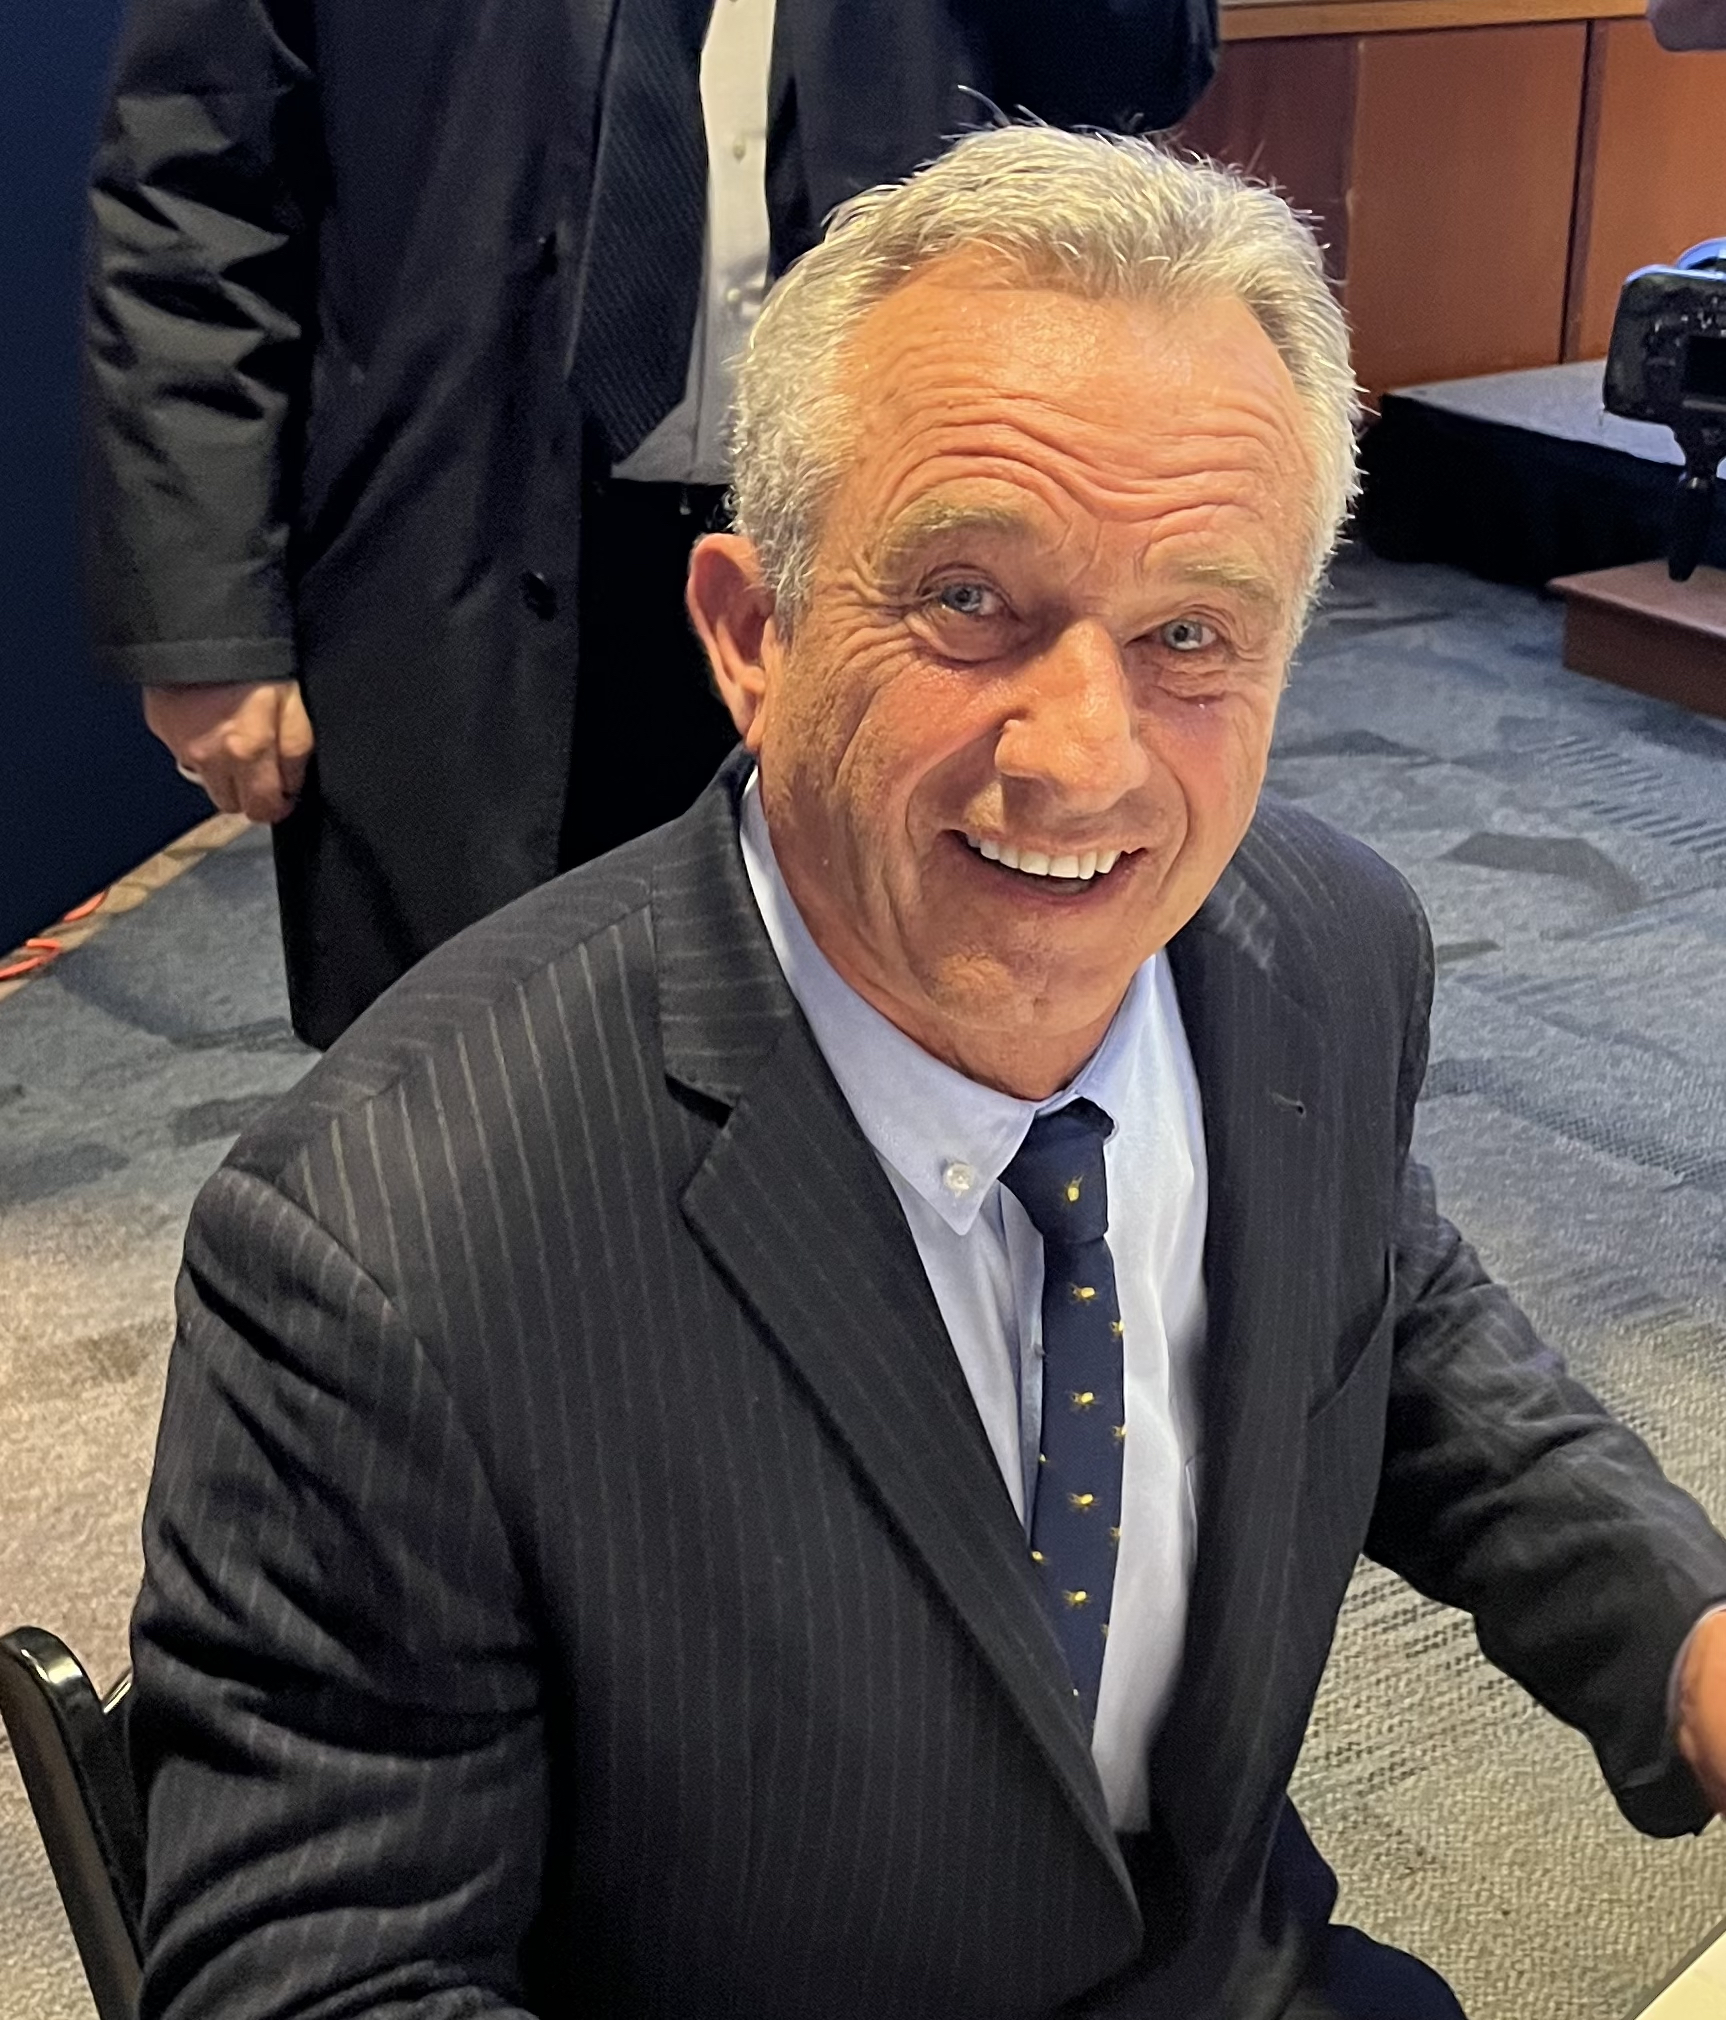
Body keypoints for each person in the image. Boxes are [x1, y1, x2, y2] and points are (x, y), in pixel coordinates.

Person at [131, 128, 1726, 2020]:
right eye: (970, 601)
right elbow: (319, 1980)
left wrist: (1687, 1634)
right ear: (751, 634)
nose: (1082, 759)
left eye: (1191, 633)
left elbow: (1393, 1322)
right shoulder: (381, 1247)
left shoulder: (1326, 948)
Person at [83, 0, 1219, 1051]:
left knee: (863, 1057)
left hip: (867, 573)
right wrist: (205, 619)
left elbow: (1136, 72)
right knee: (461, 1080)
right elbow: (194, 189)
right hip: (453, 558)